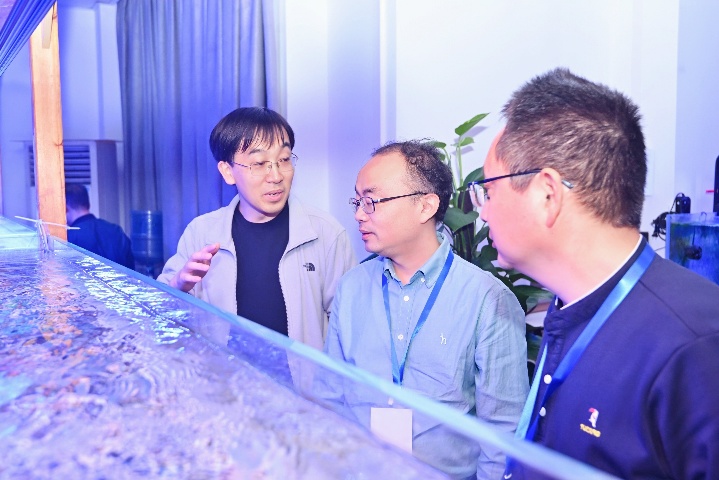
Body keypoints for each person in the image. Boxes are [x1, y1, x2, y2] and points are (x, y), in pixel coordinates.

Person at [480, 68, 719, 479]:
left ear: (547, 195)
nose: (483, 211)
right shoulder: (572, 306)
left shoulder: (694, 346)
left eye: (488, 190)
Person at [323, 140, 529, 479]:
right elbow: (329, 397)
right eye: (357, 201)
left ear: (425, 206)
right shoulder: (352, 288)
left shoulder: (487, 299)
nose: (359, 214)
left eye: (372, 201)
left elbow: (502, 433)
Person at [157, 107, 355, 350]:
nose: (276, 176)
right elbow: (157, 313)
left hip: (302, 376)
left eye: (284, 159)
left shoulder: (326, 234)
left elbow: (349, 328)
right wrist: (178, 286)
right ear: (228, 171)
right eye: (259, 163)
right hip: (225, 373)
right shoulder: (201, 233)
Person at [65, 183, 135, 269]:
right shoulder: (116, 231)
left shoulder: (69, 237)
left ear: (66, 208)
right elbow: (132, 271)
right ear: (87, 204)